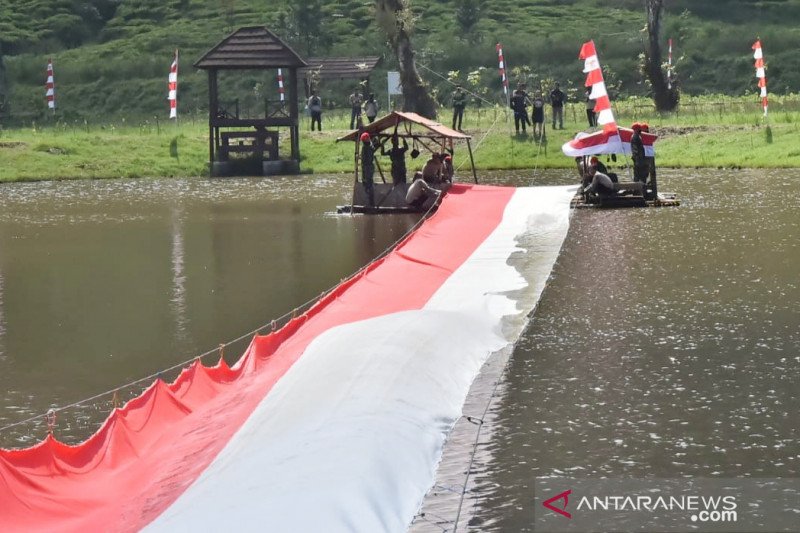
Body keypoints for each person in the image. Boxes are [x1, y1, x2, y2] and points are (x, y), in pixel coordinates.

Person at [360, 132, 376, 206]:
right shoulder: (369, 148)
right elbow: (372, 146)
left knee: (367, 184)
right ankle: (371, 201)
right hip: (369, 168)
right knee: (369, 183)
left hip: (366, 168)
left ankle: (370, 202)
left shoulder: (365, 148)